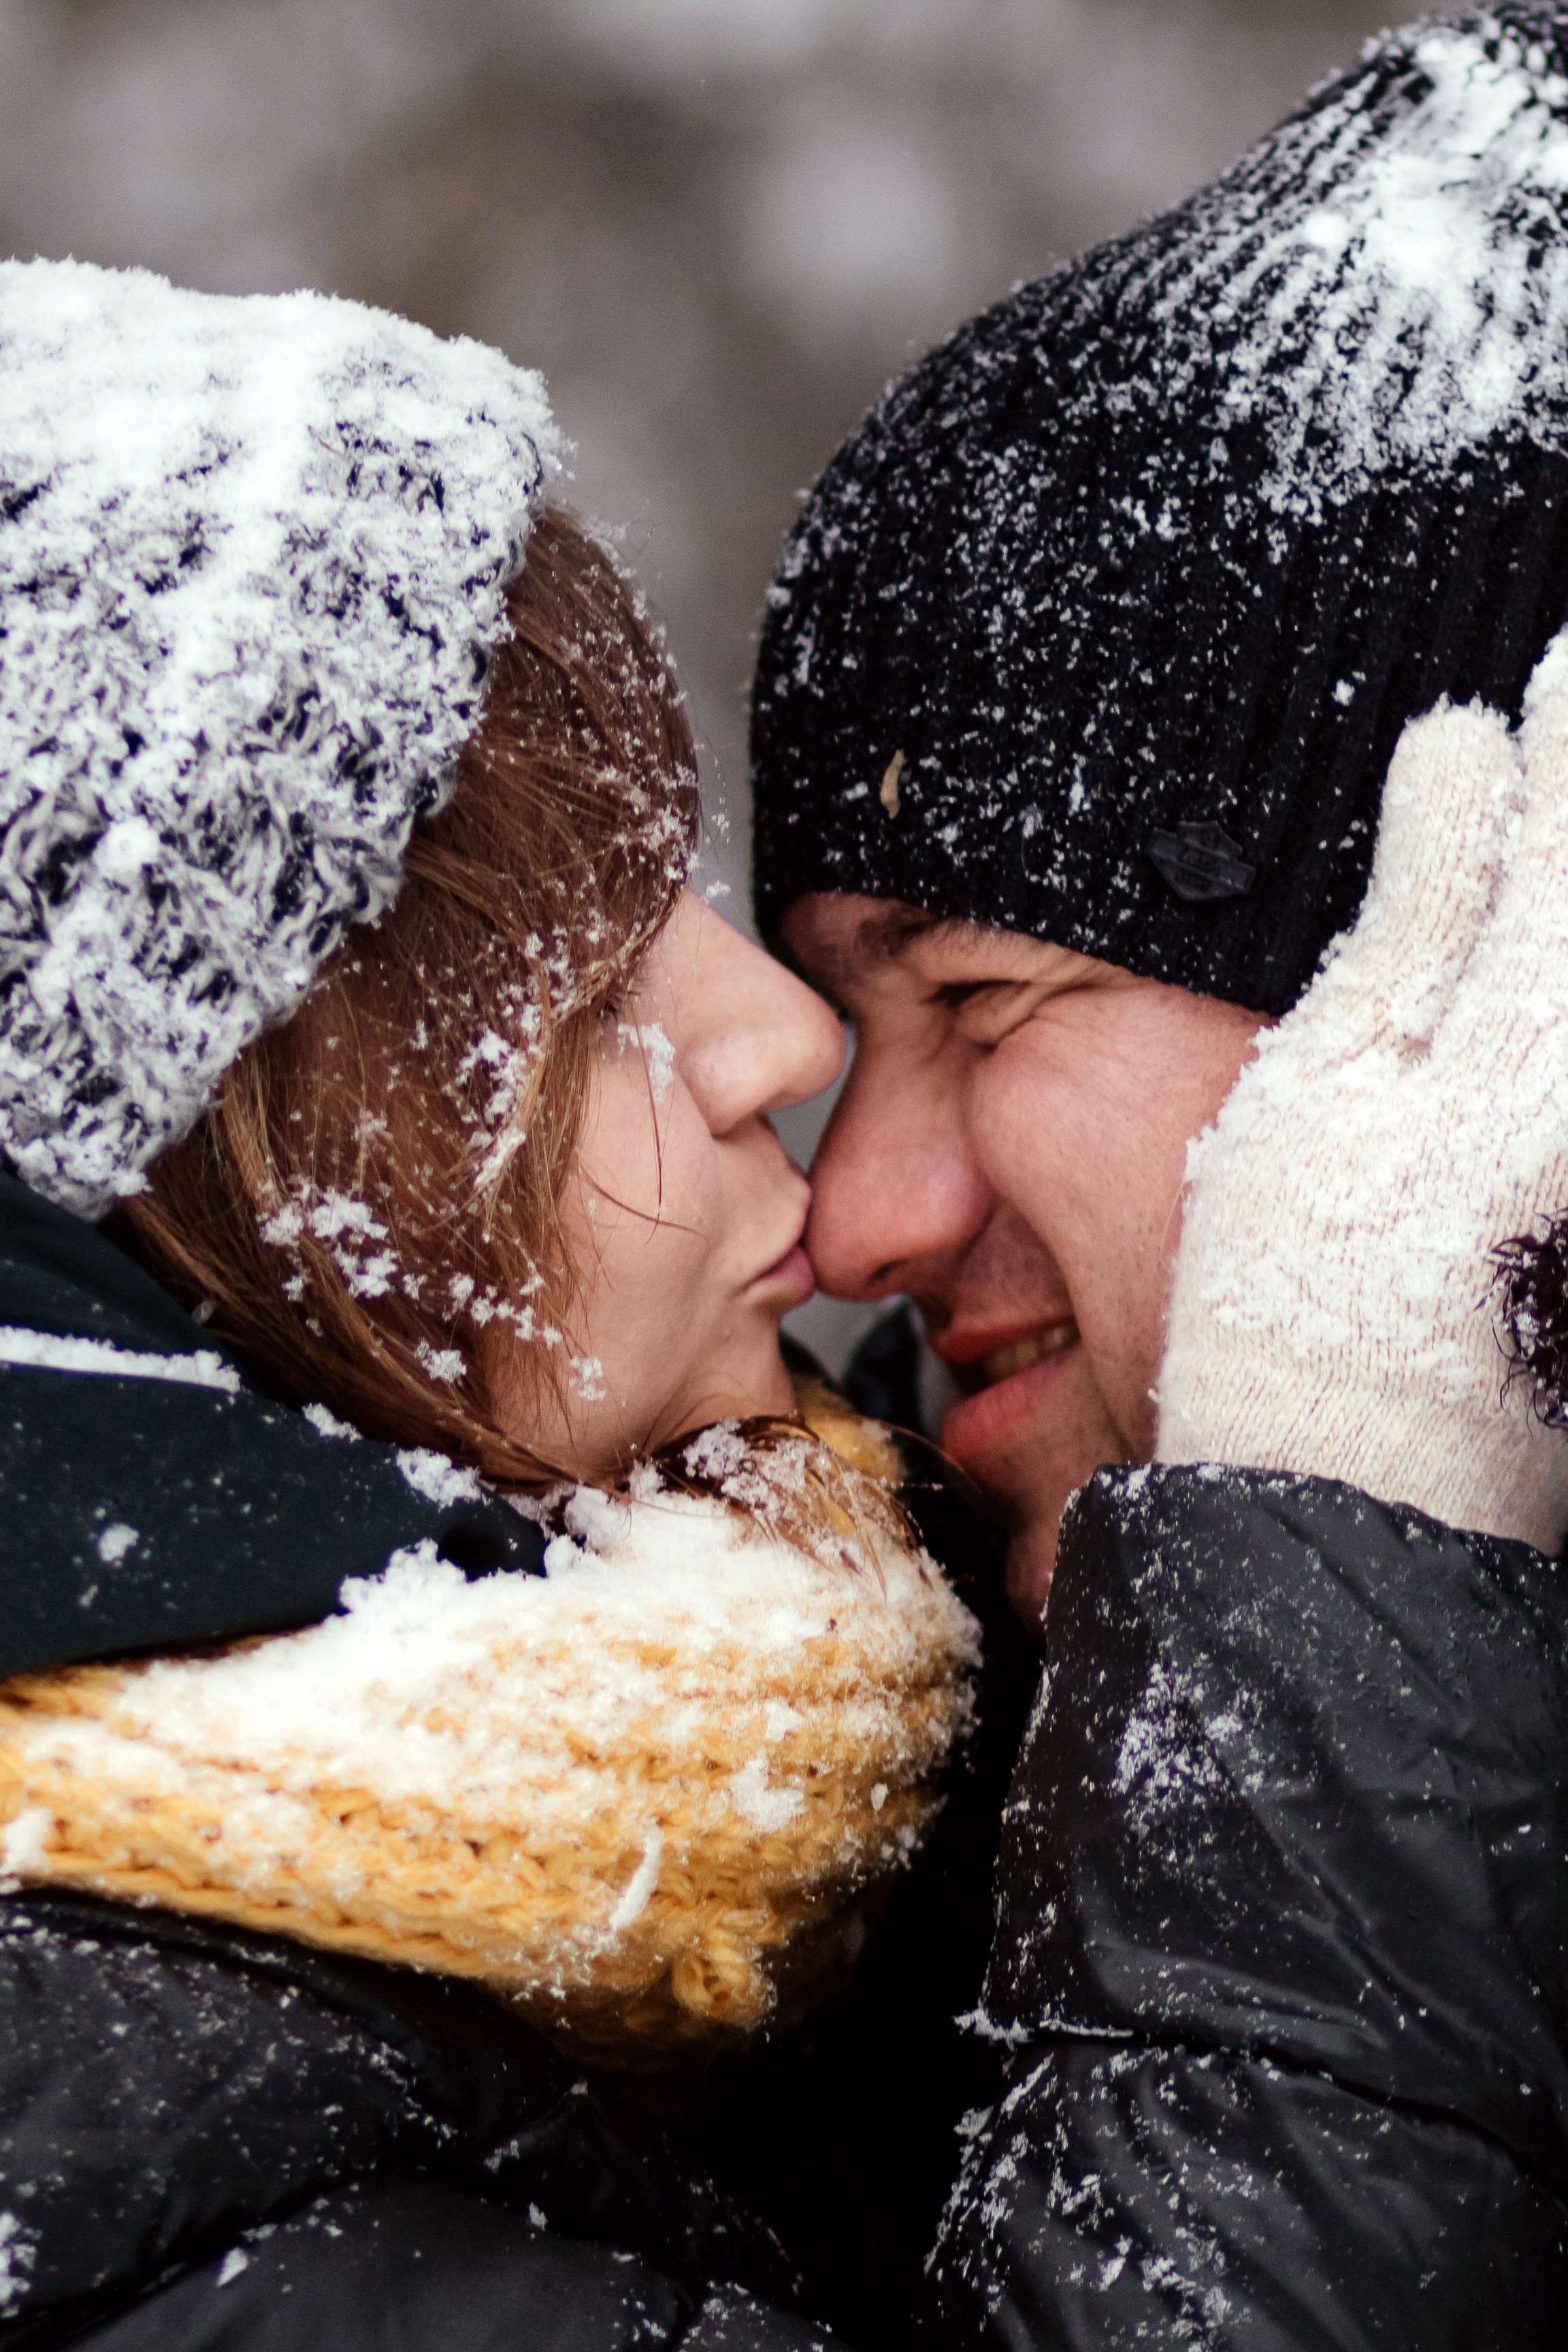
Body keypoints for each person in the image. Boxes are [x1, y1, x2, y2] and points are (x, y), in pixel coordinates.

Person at [0, 257, 981, 2350]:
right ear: (175, 1223)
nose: (780, 1036)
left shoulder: (554, 1878)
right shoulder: (117, 2191)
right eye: (575, 989)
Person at [745, 6, 1568, 2341]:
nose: (858, 1218)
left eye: (985, 1002)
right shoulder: (845, 1908)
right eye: (836, 1032)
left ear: (1493, 939)